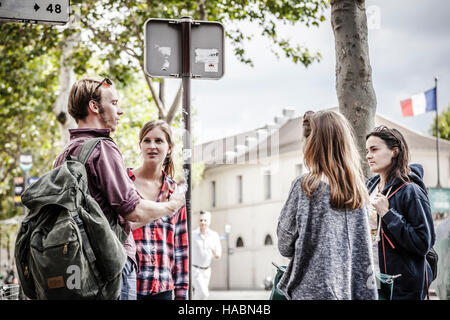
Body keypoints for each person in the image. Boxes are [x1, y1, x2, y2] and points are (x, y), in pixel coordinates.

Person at [53, 77, 185, 300]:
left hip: (75, 265)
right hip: (110, 267)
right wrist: (171, 206)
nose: (120, 110)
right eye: (113, 103)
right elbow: (133, 210)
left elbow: (107, 218)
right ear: (94, 107)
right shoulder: (102, 148)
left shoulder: (65, 153)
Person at [277, 110, 377, 300]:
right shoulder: (359, 193)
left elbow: (284, 246)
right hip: (348, 293)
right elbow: (364, 257)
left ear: (313, 145)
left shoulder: (304, 187)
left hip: (309, 293)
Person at [365, 125, 435, 300]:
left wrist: (388, 215)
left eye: (374, 149)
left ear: (394, 151)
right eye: (367, 150)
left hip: (399, 289)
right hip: (369, 283)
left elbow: (423, 242)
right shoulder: (369, 187)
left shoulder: (411, 191)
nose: (368, 155)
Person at [127, 120, 189, 300]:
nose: (152, 146)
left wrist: (181, 292)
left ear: (169, 148)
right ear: (140, 145)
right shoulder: (124, 183)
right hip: (128, 284)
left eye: (159, 141)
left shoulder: (175, 192)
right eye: (147, 141)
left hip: (163, 288)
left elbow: (181, 247)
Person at [191, 210, 222, 300]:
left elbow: (218, 253)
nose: (203, 222)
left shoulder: (214, 235)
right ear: (198, 221)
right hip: (195, 270)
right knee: (204, 293)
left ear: (209, 221)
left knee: (200, 296)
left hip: (207, 270)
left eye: (205, 220)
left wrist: (216, 254)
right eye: (201, 220)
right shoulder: (192, 235)